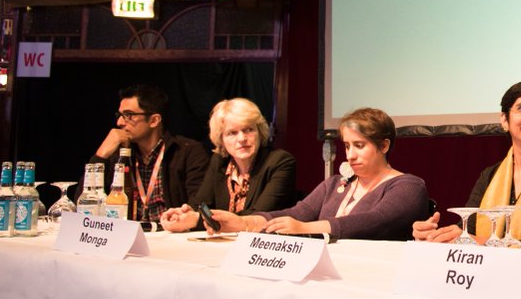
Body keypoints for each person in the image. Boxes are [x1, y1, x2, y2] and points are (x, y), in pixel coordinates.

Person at [411, 80, 521, 253]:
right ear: (504, 120)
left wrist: (481, 242)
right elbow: (469, 229)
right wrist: (435, 235)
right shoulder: (490, 175)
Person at [209, 107, 427, 240]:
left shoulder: (408, 186)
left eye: (359, 145)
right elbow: (297, 213)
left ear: (384, 146)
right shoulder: (334, 184)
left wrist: (306, 229)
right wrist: (242, 223)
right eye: (347, 146)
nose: (350, 155)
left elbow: (374, 221)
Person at [160, 98, 298, 232]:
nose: (242, 138)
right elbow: (201, 204)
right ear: (221, 139)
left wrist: (196, 219)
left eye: (248, 130)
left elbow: (257, 218)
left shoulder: (280, 162)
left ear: (259, 131)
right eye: (232, 133)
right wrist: (184, 213)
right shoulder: (219, 161)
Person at [91, 84, 209, 222]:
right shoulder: (119, 154)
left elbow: (199, 205)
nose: (119, 122)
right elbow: (86, 205)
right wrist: (100, 156)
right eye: (120, 115)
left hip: (171, 236)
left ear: (154, 120)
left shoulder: (188, 152)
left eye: (128, 115)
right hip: (126, 235)